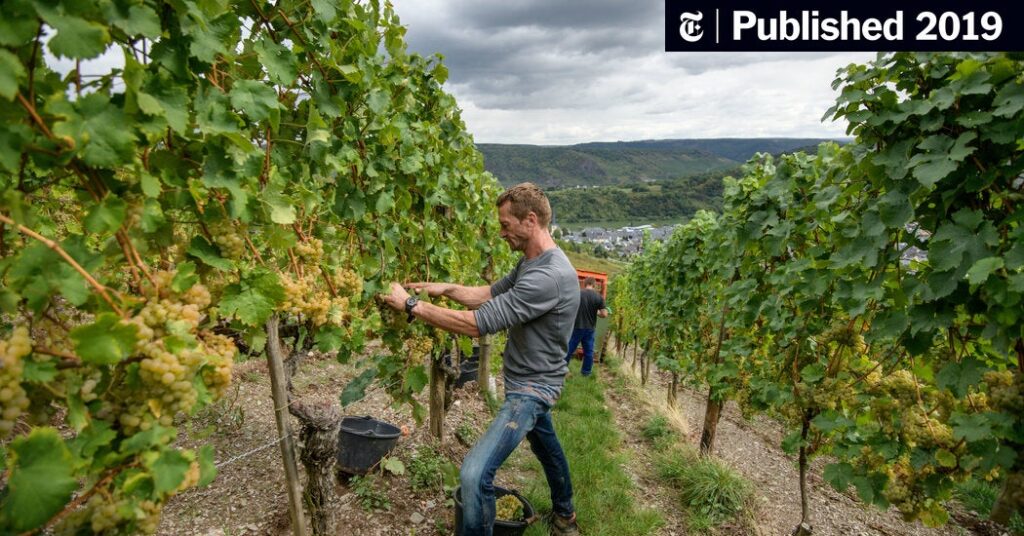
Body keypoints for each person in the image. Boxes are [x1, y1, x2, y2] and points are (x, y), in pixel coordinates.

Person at [380, 182, 581, 536]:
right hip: (527, 378)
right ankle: (565, 515)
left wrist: (411, 306)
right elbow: (488, 294)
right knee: (546, 447)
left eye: (505, 225)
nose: (501, 233)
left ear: (530, 220)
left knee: (474, 474)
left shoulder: (548, 277)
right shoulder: (532, 261)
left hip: (532, 388)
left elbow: (476, 324)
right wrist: (446, 289)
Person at [565, 277, 608, 376]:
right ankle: (586, 373)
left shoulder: (577, 294)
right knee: (589, 352)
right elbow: (604, 314)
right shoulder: (598, 297)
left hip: (576, 327)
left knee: (569, 349)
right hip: (590, 329)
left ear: (584, 284)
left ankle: (561, 369)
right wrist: (597, 312)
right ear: (594, 285)